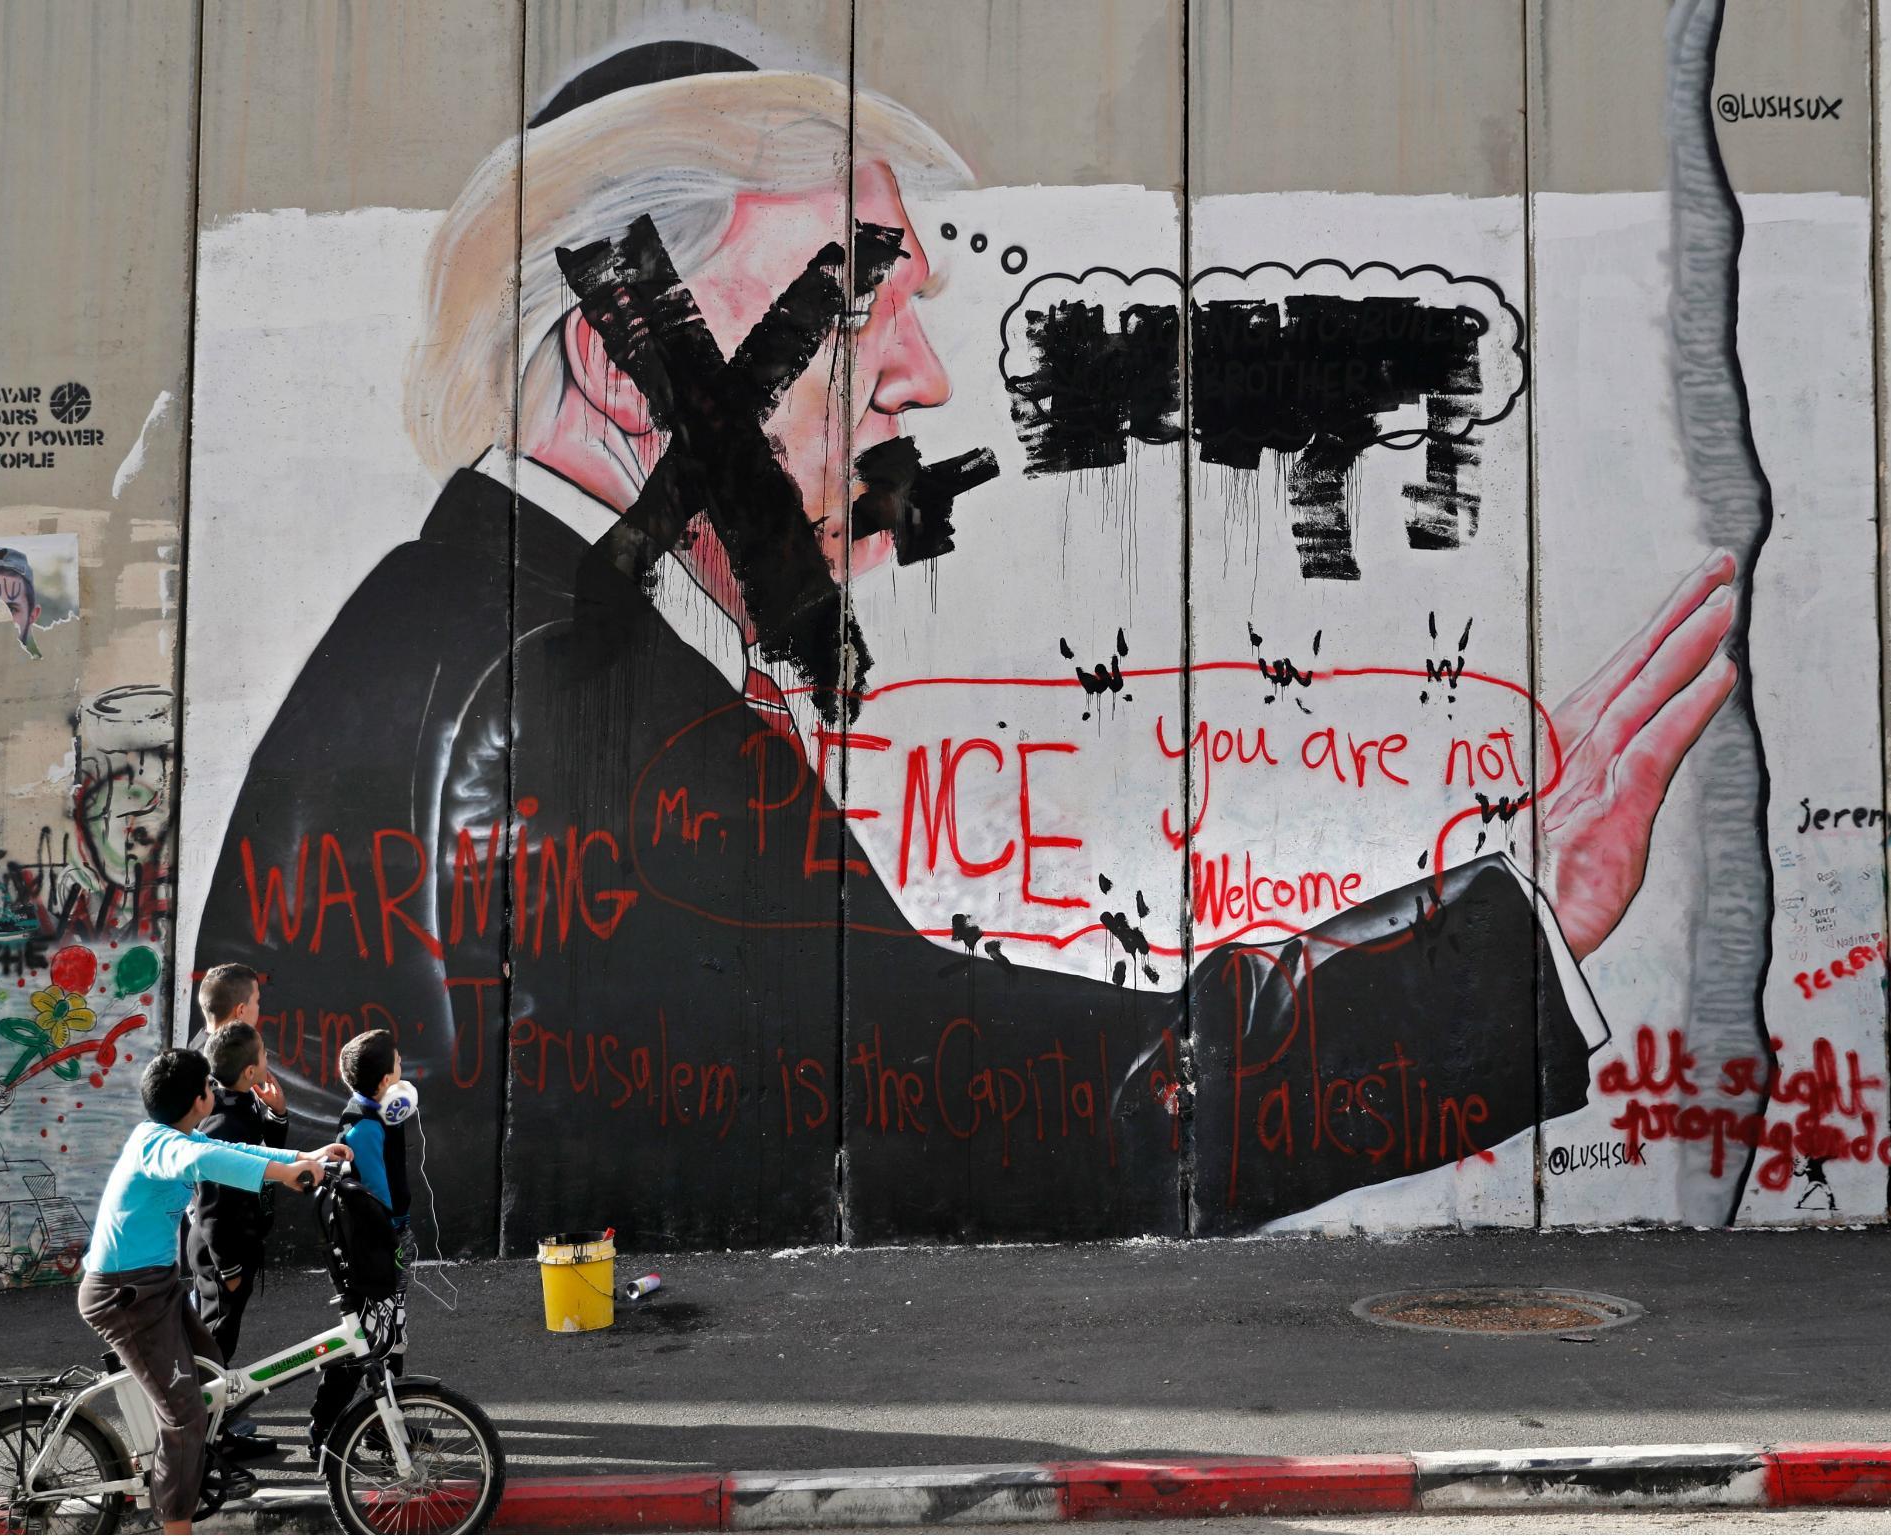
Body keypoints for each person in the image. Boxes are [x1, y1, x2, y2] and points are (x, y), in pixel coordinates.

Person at [194, 44, 1743, 1249]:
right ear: (616, 352)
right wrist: (1513, 940)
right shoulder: (570, 711)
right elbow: (1040, 1119)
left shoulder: (456, 634)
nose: (920, 379)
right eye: (853, 309)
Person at [78, 1049, 347, 1534]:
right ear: (197, 1098)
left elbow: (237, 1154)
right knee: (183, 1413)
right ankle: (176, 1524)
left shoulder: (173, 1135)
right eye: (210, 1085)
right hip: (123, 1295)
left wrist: (302, 1159)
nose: (216, 1092)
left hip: (154, 1286)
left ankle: (183, 1472)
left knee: (212, 1383)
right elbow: (204, 1158)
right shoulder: (160, 1146)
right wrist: (286, 1175)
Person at [182, 963, 285, 1459]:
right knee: (214, 1338)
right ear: (241, 1011)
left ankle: (215, 1422)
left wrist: (277, 1117)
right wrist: (231, 1265)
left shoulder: (230, 1094)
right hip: (219, 1249)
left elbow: (263, 1156)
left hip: (225, 1243)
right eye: (259, 1007)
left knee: (219, 1335)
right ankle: (207, 1433)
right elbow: (213, 1197)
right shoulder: (221, 1112)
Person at [307, 1028, 410, 1461]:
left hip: (380, 1247)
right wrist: (396, 1242)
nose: (404, 1068)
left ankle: (385, 1427)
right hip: (376, 1250)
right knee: (367, 1343)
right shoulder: (366, 1128)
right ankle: (325, 1429)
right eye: (399, 1064)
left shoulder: (372, 1114)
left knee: (389, 1343)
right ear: (386, 1081)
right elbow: (377, 1197)